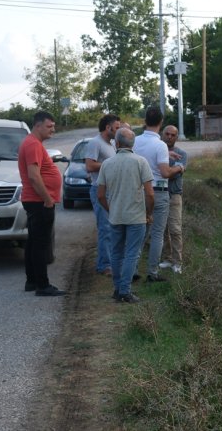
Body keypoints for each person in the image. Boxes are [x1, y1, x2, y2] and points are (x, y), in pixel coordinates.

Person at [97, 128, 154, 303]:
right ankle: (125, 291)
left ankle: (117, 289)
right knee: (132, 254)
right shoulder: (140, 162)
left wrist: (110, 209)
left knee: (116, 253)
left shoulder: (107, 163)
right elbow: (150, 194)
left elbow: (100, 195)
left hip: (116, 216)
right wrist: (148, 213)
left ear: (117, 143)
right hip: (136, 217)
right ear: (133, 144)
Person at [133, 107, 185, 282]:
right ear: (161, 123)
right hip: (158, 191)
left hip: (139, 191)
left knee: (140, 232)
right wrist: (179, 167)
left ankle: (132, 269)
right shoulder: (160, 145)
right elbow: (165, 172)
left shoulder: (135, 141)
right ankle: (152, 272)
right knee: (157, 233)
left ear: (145, 120)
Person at [18, 111, 66, 296]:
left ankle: (32, 281)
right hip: (39, 201)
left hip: (35, 200)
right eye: (49, 126)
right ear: (37, 126)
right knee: (40, 244)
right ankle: (42, 285)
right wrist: (47, 199)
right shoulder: (33, 145)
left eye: (53, 126)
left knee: (33, 242)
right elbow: (34, 176)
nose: (53, 130)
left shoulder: (32, 143)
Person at [85, 114, 121, 275]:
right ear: (108, 127)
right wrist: (111, 164)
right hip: (100, 190)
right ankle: (104, 266)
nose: (118, 131)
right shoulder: (95, 142)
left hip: (112, 191)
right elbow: (90, 166)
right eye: (117, 127)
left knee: (113, 227)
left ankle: (111, 262)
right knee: (105, 228)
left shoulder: (112, 143)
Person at [158, 125, 188, 273]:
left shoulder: (182, 153)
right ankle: (167, 258)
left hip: (174, 195)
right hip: (159, 193)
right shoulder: (157, 150)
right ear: (162, 134)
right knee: (162, 230)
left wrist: (165, 170)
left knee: (175, 229)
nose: (169, 137)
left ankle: (178, 262)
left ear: (176, 137)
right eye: (167, 134)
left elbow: (171, 174)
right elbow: (162, 172)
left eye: (173, 135)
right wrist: (170, 169)